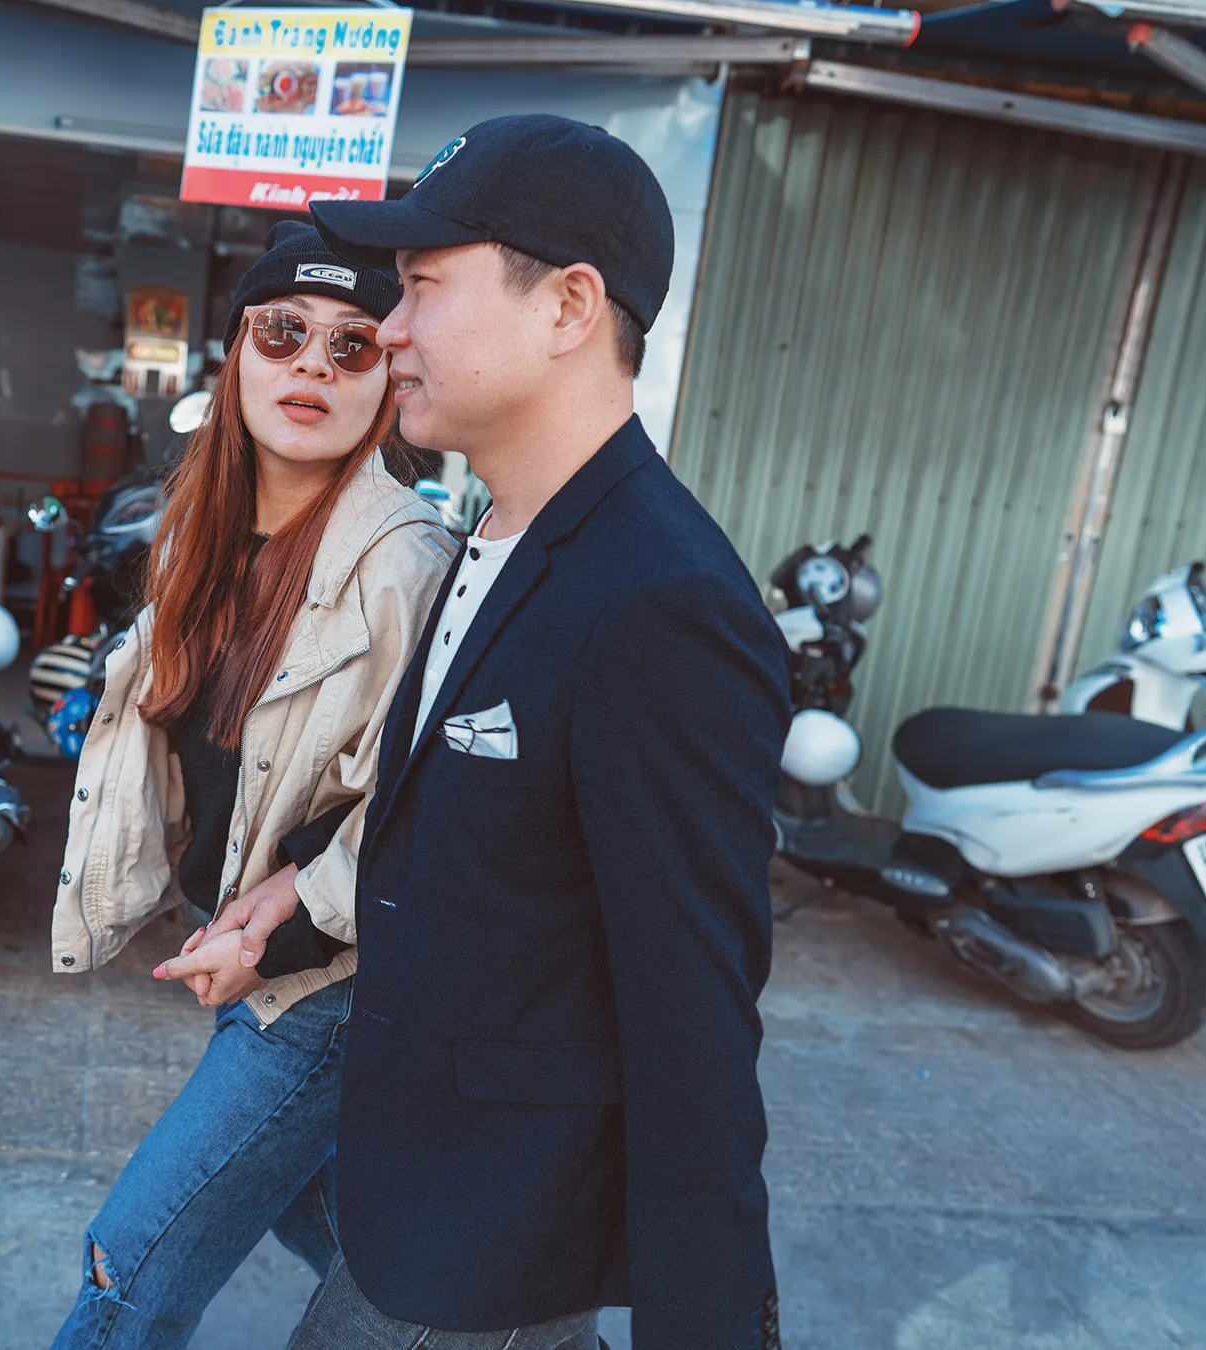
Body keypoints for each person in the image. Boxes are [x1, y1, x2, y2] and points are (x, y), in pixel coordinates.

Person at [210, 116, 792, 1349]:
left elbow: (694, 1014)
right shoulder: (491, 530)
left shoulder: (661, 601)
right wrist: (298, 899)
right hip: (411, 1171)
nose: (389, 327)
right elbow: (474, 832)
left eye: (422, 284)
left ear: (568, 306)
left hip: (491, 1235)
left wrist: (708, 1325)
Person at [48, 221, 458, 1349]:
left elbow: (423, 807)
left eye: (352, 344)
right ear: (235, 354)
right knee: (339, 1233)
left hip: (327, 982)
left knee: (128, 1270)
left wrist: (280, 933)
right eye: (283, 332)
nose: (312, 365)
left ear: (388, 378)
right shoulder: (200, 532)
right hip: (254, 954)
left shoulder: (405, 564)